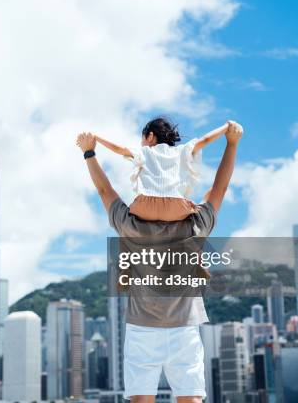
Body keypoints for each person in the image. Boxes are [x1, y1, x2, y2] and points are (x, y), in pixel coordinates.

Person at [76, 121, 243, 403]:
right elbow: (219, 188)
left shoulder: (130, 225)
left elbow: (106, 192)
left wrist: (90, 153)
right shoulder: (196, 226)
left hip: (143, 328)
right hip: (185, 326)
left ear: (149, 138)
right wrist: (232, 143)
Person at [95, 117, 231, 222]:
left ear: (150, 136)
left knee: (131, 215)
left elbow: (119, 149)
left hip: (146, 205)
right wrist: (226, 127)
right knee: (195, 211)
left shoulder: (144, 151)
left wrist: (97, 138)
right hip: (176, 207)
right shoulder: (182, 150)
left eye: (142, 139)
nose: (142, 143)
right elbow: (206, 139)